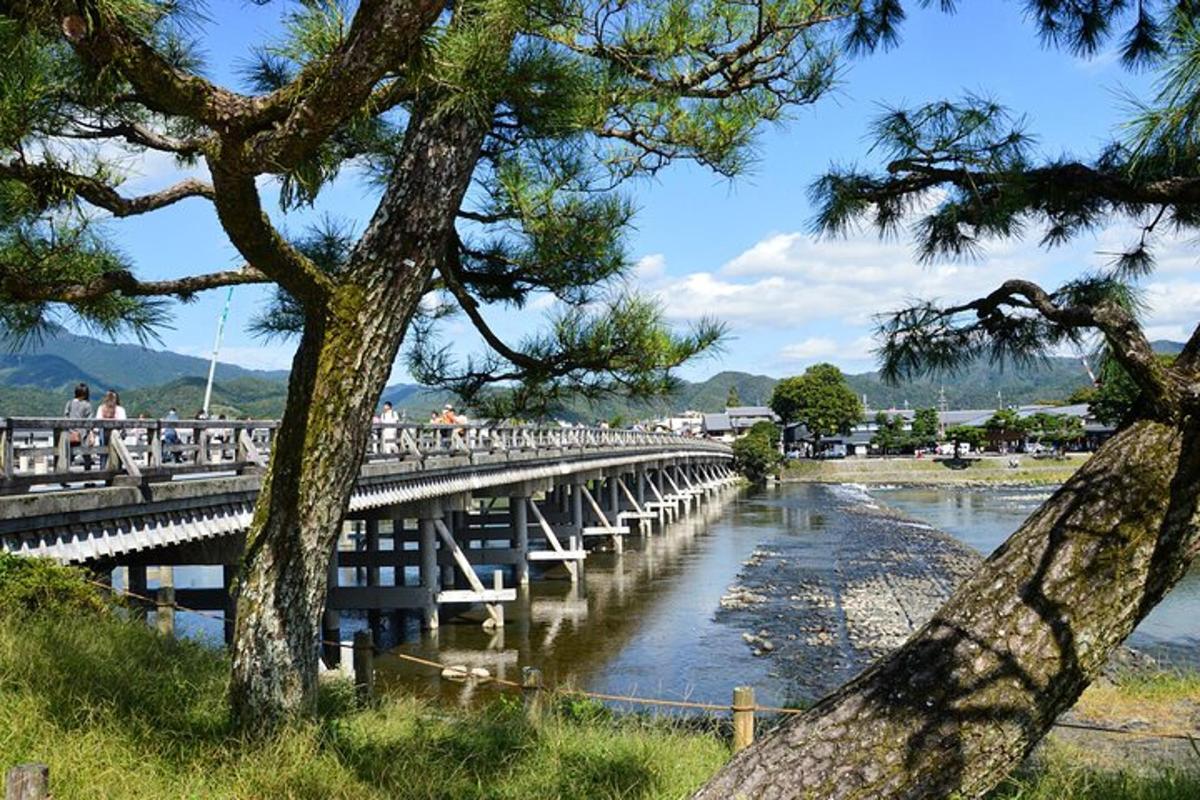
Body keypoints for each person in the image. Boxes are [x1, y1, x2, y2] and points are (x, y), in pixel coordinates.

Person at [64, 382, 93, 471]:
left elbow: (65, 416)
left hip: (71, 433)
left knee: (68, 456)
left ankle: (64, 476)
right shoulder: (87, 405)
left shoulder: (70, 403)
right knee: (87, 456)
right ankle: (88, 479)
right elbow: (90, 421)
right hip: (83, 434)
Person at [94, 390, 126, 469]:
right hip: (117, 438)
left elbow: (97, 424)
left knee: (104, 455)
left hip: (104, 437)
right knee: (117, 454)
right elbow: (124, 423)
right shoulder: (120, 409)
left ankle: (103, 470)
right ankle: (117, 470)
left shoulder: (101, 408)